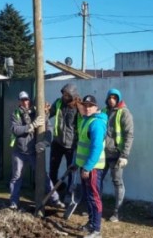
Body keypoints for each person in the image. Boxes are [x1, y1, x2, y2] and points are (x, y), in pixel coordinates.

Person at [9, 91, 62, 210]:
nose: (25, 102)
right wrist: (31, 126)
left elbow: (48, 129)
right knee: (16, 177)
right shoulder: (16, 113)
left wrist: (46, 142)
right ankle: (13, 202)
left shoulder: (38, 113)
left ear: (30, 100)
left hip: (34, 151)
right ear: (19, 101)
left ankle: (55, 199)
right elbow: (15, 130)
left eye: (27, 99)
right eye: (22, 100)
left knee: (43, 175)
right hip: (19, 151)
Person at [64, 95, 108, 238]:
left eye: (90, 106)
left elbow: (96, 148)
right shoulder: (86, 120)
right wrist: (77, 164)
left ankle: (96, 230)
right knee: (88, 197)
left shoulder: (96, 123)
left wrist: (88, 167)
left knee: (94, 197)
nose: (87, 108)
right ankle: (91, 223)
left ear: (96, 107)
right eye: (85, 105)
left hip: (93, 168)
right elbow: (83, 146)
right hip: (85, 166)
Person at [102, 88, 134, 222]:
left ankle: (118, 212)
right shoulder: (103, 112)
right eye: (110, 97)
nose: (111, 100)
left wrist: (124, 155)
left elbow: (129, 135)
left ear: (118, 99)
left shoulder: (124, 113)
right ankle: (96, 207)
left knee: (117, 182)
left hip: (117, 154)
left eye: (114, 98)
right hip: (103, 153)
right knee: (97, 180)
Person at [45, 83, 80, 200]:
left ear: (73, 95)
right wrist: (45, 111)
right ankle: (54, 192)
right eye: (64, 93)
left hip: (71, 145)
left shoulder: (78, 106)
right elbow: (49, 114)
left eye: (67, 94)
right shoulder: (58, 102)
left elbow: (82, 124)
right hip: (57, 142)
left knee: (71, 172)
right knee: (52, 170)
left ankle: (69, 195)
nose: (64, 96)